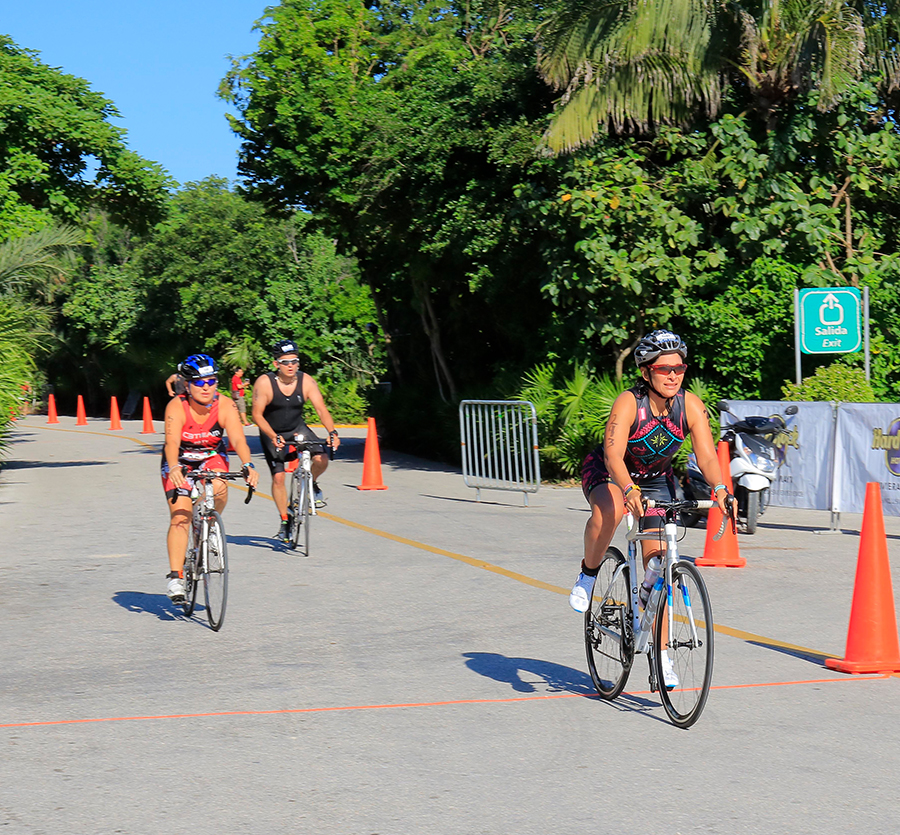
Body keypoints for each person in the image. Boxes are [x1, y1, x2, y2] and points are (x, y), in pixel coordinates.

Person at [568, 330, 734, 687]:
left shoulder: (690, 405)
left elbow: (707, 455)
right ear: (646, 372)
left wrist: (721, 488)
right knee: (612, 508)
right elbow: (613, 454)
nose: (673, 375)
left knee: (660, 569)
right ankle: (588, 573)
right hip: (612, 473)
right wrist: (628, 488)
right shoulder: (630, 403)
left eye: (679, 368)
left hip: (657, 480)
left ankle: (661, 656)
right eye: (664, 369)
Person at [162, 353, 259, 601]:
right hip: (181, 461)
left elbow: (238, 439)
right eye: (199, 382)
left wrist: (247, 464)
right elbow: (171, 442)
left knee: (220, 487)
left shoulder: (225, 405)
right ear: (187, 385)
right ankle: (176, 577)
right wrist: (173, 467)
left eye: (211, 381)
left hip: (211, 455)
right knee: (180, 517)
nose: (206, 387)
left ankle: (210, 525)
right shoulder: (177, 406)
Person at [251, 338, 341, 543]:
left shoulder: (306, 381)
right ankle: (285, 520)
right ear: (276, 364)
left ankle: (312, 484)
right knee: (279, 477)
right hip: (272, 431)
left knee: (321, 459)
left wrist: (332, 432)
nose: (291, 366)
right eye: (285, 362)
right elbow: (256, 415)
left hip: (296, 427)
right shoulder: (265, 383)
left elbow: (321, 409)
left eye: (294, 361)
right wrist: (273, 436)